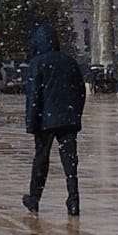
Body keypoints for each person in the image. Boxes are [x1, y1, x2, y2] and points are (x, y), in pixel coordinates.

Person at [22, 23, 86, 216]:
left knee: (41, 160)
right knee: (70, 162)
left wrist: (31, 123)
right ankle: (73, 200)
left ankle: (34, 198)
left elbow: (33, 96)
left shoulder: (37, 63)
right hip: (67, 118)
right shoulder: (69, 61)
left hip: (45, 121)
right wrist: (75, 114)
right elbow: (80, 90)